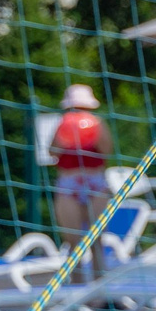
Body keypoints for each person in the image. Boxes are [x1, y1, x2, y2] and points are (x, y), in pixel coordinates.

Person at [47, 84, 114, 278]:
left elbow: (107, 151)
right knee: (73, 240)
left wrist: (93, 132)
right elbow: (52, 152)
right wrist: (66, 137)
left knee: (97, 238)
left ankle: (101, 285)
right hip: (69, 181)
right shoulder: (62, 124)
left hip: (95, 180)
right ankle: (76, 285)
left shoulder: (98, 123)